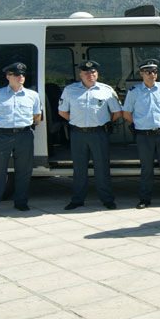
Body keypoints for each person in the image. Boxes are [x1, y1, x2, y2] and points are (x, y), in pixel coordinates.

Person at [59, 60, 122, 210]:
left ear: (97, 74)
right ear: (81, 75)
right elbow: (62, 111)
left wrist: (105, 122)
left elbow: (117, 112)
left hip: (98, 133)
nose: (90, 75)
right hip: (78, 134)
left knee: (102, 168)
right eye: (86, 73)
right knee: (79, 168)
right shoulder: (70, 90)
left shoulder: (106, 90)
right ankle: (77, 199)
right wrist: (77, 121)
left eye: (93, 72)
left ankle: (107, 199)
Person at [0, 62, 41, 216]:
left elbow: (37, 117)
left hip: (24, 135)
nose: (21, 77)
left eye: (22, 74)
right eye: (17, 74)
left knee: (24, 171)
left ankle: (21, 203)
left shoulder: (32, 95)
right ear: (8, 76)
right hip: (3, 136)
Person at [123, 59, 160, 209]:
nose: (152, 74)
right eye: (148, 72)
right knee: (146, 168)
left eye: (154, 71)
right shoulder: (134, 92)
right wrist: (140, 123)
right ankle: (145, 199)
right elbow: (127, 113)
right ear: (141, 73)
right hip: (144, 135)